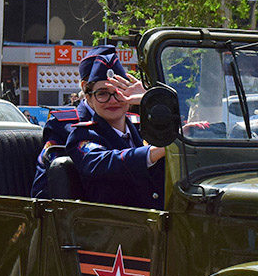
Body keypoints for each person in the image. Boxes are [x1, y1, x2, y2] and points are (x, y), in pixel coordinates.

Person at [30, 45, 163, 206]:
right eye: (102, 94)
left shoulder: (139, 125)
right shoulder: (77, 132)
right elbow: (54, 182)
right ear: (87, 95)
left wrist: (153, 99)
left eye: (120, 92)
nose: (113, 100)